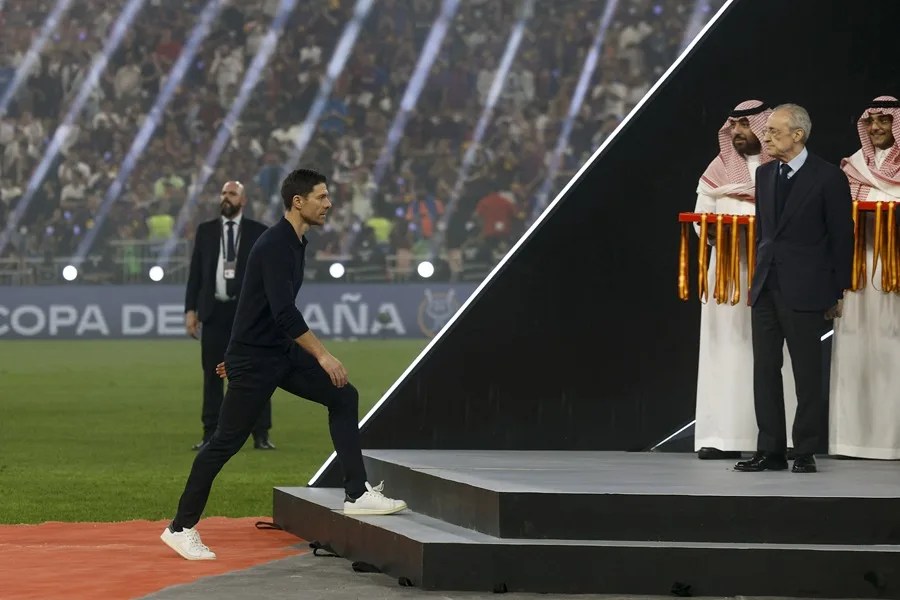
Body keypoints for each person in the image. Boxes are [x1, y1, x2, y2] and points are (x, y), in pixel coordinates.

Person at [162, 169, 406, 561]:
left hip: (273, 353)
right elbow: (283, 313)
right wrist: (321, 355)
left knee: (344, 396)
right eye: (322, 197)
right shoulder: (275, 244)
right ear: (298, 201)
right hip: (258, 359)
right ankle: (179, 528)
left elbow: (251, 300)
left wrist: (235, 350)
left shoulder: (295, 242)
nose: (329, 204)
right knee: (225, 442)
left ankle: (357, 493)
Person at [735, 103, 854, 474]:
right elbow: (765, 234)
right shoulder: (765, 174)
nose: (765, 137)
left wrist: (838, 291)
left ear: (798, 135)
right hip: (767, 287)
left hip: (807, 289)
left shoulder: (829, 177)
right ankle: (769, 450)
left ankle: (804, 450)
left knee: (806, 373)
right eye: (766, 130)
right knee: (765, 370)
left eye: (773, 131)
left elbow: (841, 238)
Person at [692, 100, 797, 460]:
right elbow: (700, 217)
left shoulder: (782, 171)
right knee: (723, 350)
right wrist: (717, 232)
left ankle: (771, 438)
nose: (737, 132)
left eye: (745, 125)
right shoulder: (717, 170)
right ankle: (718, 436)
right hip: (727, 276)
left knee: (768, 355)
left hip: (771, 275)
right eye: (733, 126)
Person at [830, 95, 900, 459]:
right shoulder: (853, 167)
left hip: (896, 275)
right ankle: (851, 442)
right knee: (856, 351)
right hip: (857, 275)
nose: (875, 128)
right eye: (870, 122)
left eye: (884, 121)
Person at [184, 181, 274, 451]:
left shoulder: (259, 232)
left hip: (246, 314)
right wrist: (191, 310)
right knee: (212, 375)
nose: (226, 197)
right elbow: (196, 274)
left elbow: (267, 276)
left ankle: (261, 434)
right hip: (214, 312)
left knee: (255, 372)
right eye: (223, 193)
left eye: (232, 194)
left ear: (243, 200)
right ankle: (210, 432)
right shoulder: (206, 231)